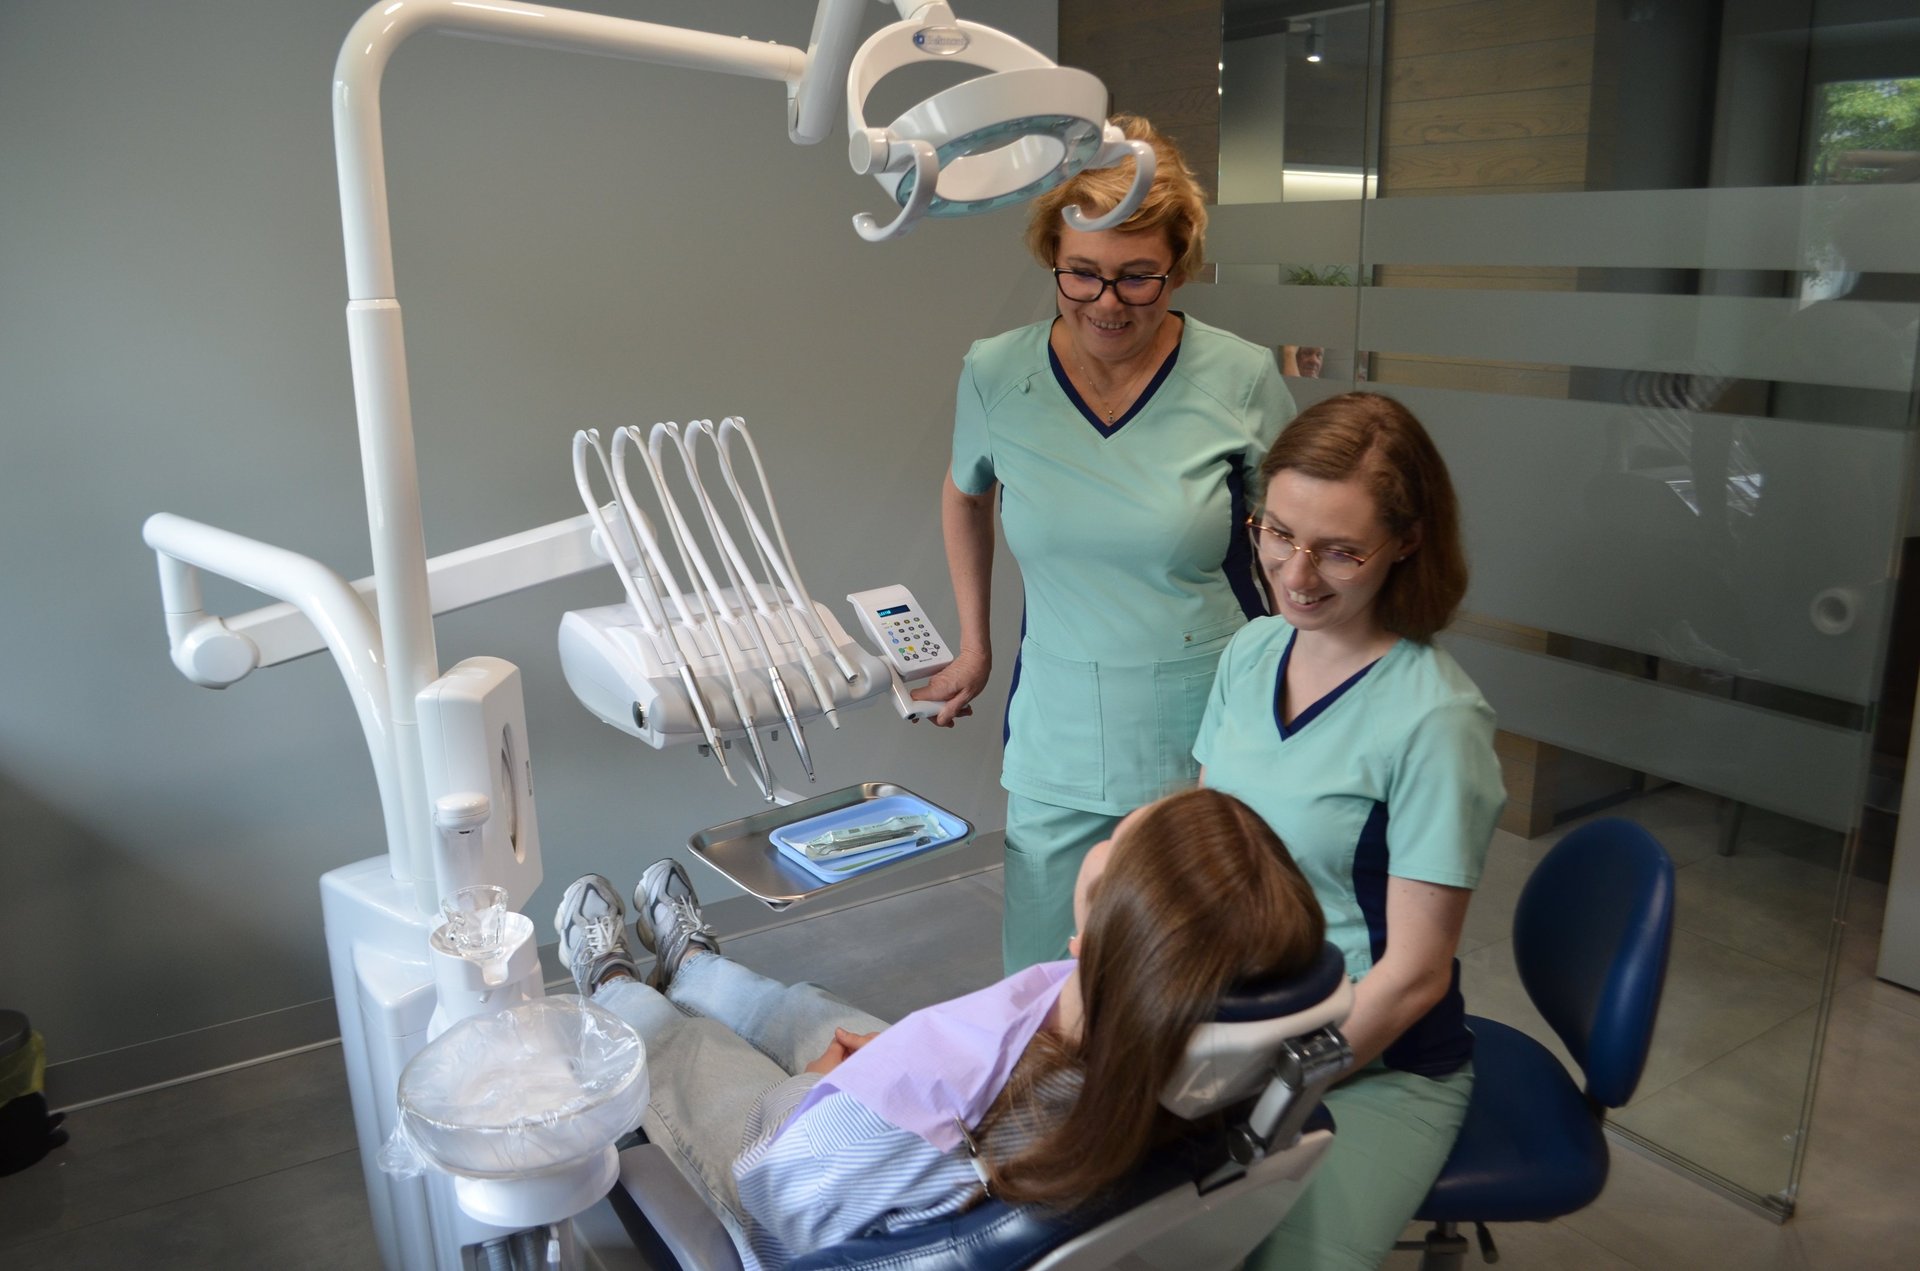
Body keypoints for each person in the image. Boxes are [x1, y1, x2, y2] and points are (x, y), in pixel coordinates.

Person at [553, 787, 1325, 1271]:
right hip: (925, 1117)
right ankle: (693, 965)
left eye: (1121, 843)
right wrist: (884, 1067)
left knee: (687, 1054)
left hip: (804, 1169)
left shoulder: (956, 1113)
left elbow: (777, 1188)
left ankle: (618, 987)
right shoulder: (1167, 1040)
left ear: (1097, 944)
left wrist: (819, 1091)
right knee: (801, 1007)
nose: (1117, 829)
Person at [914, 114, 1297, 974]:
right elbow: (964, 490)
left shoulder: (1239, 378)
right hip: (1057, 726)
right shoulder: (996, 373)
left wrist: (1316, 681)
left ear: (1180, 267)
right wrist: (975, 645)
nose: (1107, 303)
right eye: (1080, 275)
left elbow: (1300, 544)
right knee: (1046, 987)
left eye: (1137, 278)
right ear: (1051, 254)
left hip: (1206, 726)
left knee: (1190, 981)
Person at [1192, 392, 1506, 1271]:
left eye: (1340, 551)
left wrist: (1272, 1088)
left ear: (1406, 544)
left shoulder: (1436, 720)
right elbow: (1210, 853)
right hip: (1239, 1023)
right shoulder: (1251, 653)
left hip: (1375, 1063)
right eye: (1278, 533)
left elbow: (1412, 978)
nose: (1297, 575)